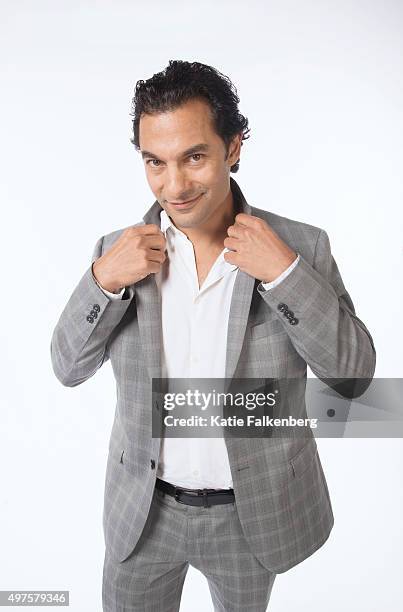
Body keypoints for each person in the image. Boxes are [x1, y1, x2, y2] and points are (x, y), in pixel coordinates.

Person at [50, 60, 376, 611]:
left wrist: (286, 275)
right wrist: (104, 279)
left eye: (194, 157)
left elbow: (353, 380)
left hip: (253, 517)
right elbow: (66, 367)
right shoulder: (117, 250)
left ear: (234, 146)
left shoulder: (301, 246)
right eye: (155, 162)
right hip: (144, 514)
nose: (173, 185)